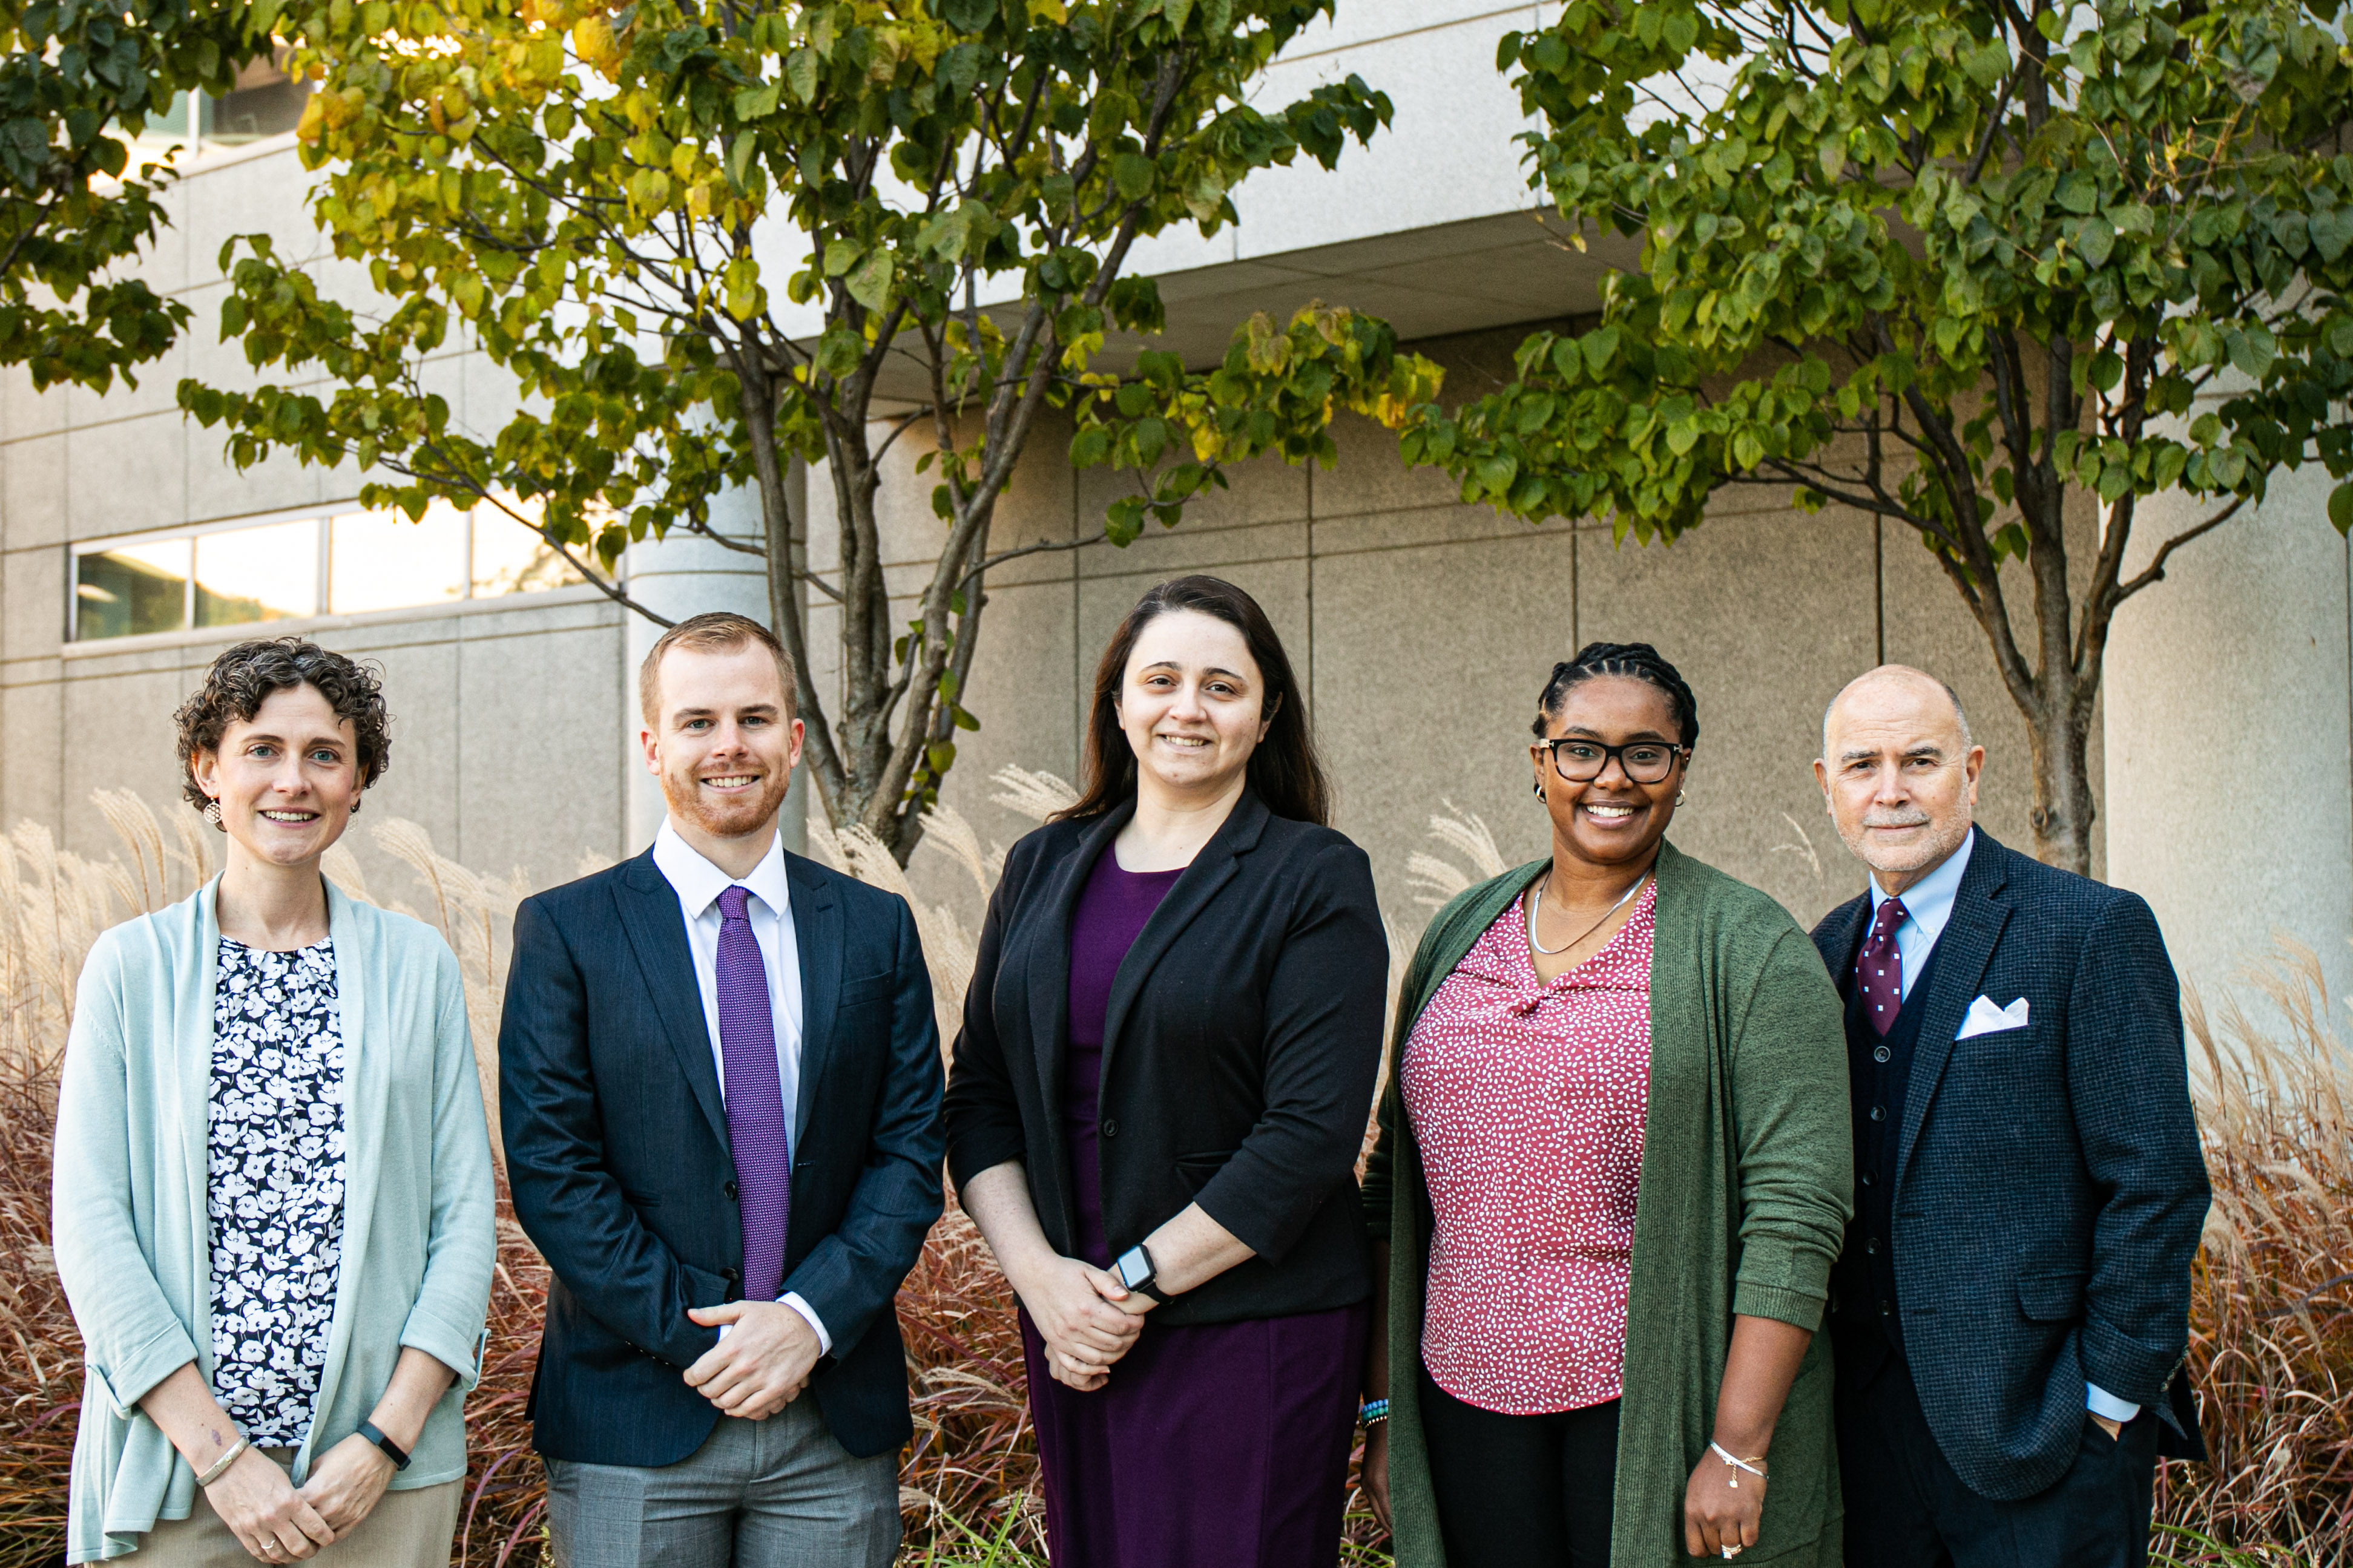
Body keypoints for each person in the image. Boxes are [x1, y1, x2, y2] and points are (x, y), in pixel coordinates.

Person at [1361, 642, 1854, 1567]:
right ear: (1540, 760)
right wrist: (1385, 1412)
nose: (1611, 778)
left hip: (1650, 1406)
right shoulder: (1459, 931)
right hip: (1463, 1396)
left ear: (1682, 770)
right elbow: (1394, 1182)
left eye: (1646, 752)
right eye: (1581, 748)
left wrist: (1739, 1446)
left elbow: (1798, 1215)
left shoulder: (1751, 949)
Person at [943, 574, 1387, 1568]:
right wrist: (1046, 1285)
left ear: (1267, 713)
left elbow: (1307, 1138)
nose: (1188, 708)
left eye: (1222, 687)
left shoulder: (1312, 876)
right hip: (1072, 1331)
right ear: (1118, 701)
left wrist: (1124, 1288)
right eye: (1162, 680)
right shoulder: (1041, 866)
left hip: (1249, 1327)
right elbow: (980, 1100)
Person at [499, 611, 943, 1568]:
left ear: (790, 738)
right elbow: (553, 1171)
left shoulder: (875, 930)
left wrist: (807, 1321)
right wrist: (715, 1338)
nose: (727, 745)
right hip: (634, 1415)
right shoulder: (568, 932)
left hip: (832, 1413)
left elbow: (908, 1154)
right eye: (698, 722)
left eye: (753, 717)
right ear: (654, 745)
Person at [52, 637, 497, 1567]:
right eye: (262, 749)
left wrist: (384, 1441)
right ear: (207, 769)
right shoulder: (131, 968)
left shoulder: (416, 966)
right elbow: (91, 1224)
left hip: (376, 1483)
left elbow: (462, 1220)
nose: (292, 781)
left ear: (358, 781)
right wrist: (222, 1458)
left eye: (324, 755)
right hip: (179, 1479)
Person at [1810, 665, 2209, 1568]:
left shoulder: (2087, 929)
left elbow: (2158, 1182)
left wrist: (2108, 1396)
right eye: (1862, 764)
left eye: (1921, 760)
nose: (1891, 790)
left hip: (2045, 1430)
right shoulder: (1822, 952)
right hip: (1864, 1440)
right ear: (1827, 784)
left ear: (1974, 771)